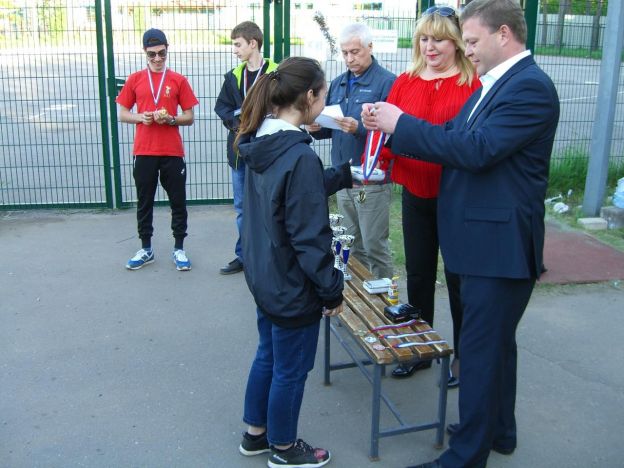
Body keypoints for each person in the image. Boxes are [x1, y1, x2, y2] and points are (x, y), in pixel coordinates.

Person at [361, 0, 560, 466]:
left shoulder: (528, 87)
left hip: (500, 247)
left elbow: (476, 149)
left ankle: (465, 455)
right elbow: (451, 130)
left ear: (504, 35)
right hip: (483, 242)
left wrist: (402, 124)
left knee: (481, 349)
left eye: (470, 41)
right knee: (494, 346)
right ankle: (498, 432)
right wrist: (393, 130)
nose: (466, 50)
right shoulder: (495, 84)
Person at [235, 57, 352, 468]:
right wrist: (331, 288)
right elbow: (309, 237)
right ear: (309, 96)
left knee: (268, 355)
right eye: (325, 96)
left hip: (265, 276)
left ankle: (256, 435)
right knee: (290, 370)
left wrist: (342, 175)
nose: (326, 103)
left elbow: (285, 202)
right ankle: (283, 448)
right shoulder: (298, 156)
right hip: (291, 285)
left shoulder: (262, 140)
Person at [379, 7, 480, 384]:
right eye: (424, 38)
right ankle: (420, 349)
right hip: (415, 191)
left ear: (455, 42)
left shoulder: (473, 83)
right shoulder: (405, 80)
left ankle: (463, 359)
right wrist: (381, 158)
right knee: (419, 274)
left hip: (458, 197)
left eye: (438, 38)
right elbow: (391, 131)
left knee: (459, 279)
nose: (430, 46)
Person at [309, 23, 396, 280]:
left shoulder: (387, 83)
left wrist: (359, 129)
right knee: (349, 244)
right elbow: (332, 129)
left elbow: (392, 135)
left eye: (355, 52)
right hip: (343, 177)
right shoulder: (337, 83)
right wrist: (315, 127)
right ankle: (356, 299)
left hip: (371, 180)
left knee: (374, 246)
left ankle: (385, 304)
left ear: (370, 47)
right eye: (345, 52)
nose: (349, 58)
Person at [117, 28, 198, 271]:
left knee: (178, 202)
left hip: (172, 151)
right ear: (144, 52)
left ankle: (179, 248)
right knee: (145, 201)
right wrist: (142, 117)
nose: (157, 59)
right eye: (151, 55)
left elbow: (189, 116)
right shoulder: (134, 79)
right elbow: (122, 114)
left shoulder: (178, 80)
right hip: (144, 151)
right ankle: (146, 248)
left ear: (167, 50)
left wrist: (172, 120)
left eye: (161, 53)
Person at [215, 21, 278, 275]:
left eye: (238, 44)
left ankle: (271, 256)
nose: (235, 50)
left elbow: (284, 106)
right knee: (242, 208)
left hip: (267, 153)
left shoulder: (276, 73)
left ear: (253, 43)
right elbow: (221, 107)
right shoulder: (233, 76)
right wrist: (236, 121)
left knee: (268, 206)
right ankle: (244, 256)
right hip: (240, 153)